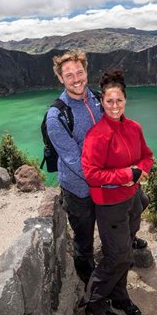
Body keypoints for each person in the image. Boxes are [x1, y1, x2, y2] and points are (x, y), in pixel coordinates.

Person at [81, 70, 154, 315]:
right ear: (102, 102)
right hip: (109, 204)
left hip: (132, 199)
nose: (114, 106)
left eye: (119, 101)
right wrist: (126, 174)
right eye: (109, 101)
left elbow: (147, 155)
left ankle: (120, 295)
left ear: (126, 101)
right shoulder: (97, 135)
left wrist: (140, 172)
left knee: (126, 250)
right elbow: (91, 174)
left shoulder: (134, 128)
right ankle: (95, 303)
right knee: (117, 255)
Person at [46, 50, 102, 287]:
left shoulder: (99, 99)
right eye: (69, 75)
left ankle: (122, 253)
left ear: (86, 71)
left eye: (80, 72)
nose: (76, 78)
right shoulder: (56, 115)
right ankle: (91, 289)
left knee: (134, 207)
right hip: (78, 189)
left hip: (105, 183)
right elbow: (73, 159)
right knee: (84, 240)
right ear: (60, 78)